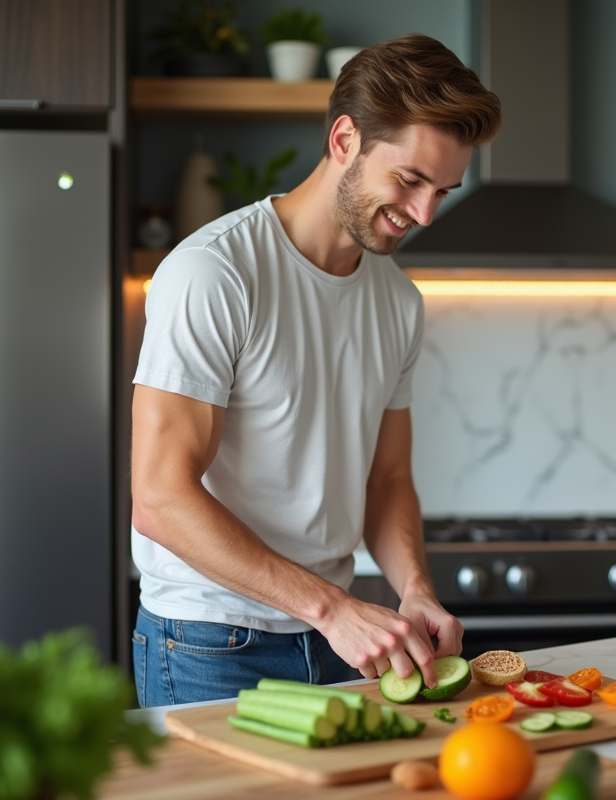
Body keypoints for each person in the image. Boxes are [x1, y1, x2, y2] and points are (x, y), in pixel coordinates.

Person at [128, 34, 502, 706]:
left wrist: (413, 587)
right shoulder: (214, 273)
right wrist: (331, 608)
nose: (424, 213)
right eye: (411, 179)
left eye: (443, 191)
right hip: (211, 640)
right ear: (343, 140)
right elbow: (159, 499)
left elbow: (386, 481)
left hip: (336, 640)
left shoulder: (397, 302)